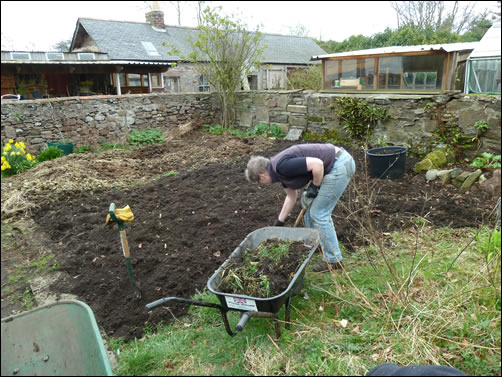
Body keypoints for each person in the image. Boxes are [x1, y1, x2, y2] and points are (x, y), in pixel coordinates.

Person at [245, 143, 355, 272]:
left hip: (340, 164)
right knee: (309, 209)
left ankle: (333, 260)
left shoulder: (282, 166)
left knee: (319, 213)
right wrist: (279, 222)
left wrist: (314, 187)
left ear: (262, 176)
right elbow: (291, 197)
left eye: (259, 182)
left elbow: (318, 164)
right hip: (334, 164)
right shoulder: (278, 171)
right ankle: (317, 244)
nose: (262, 184)